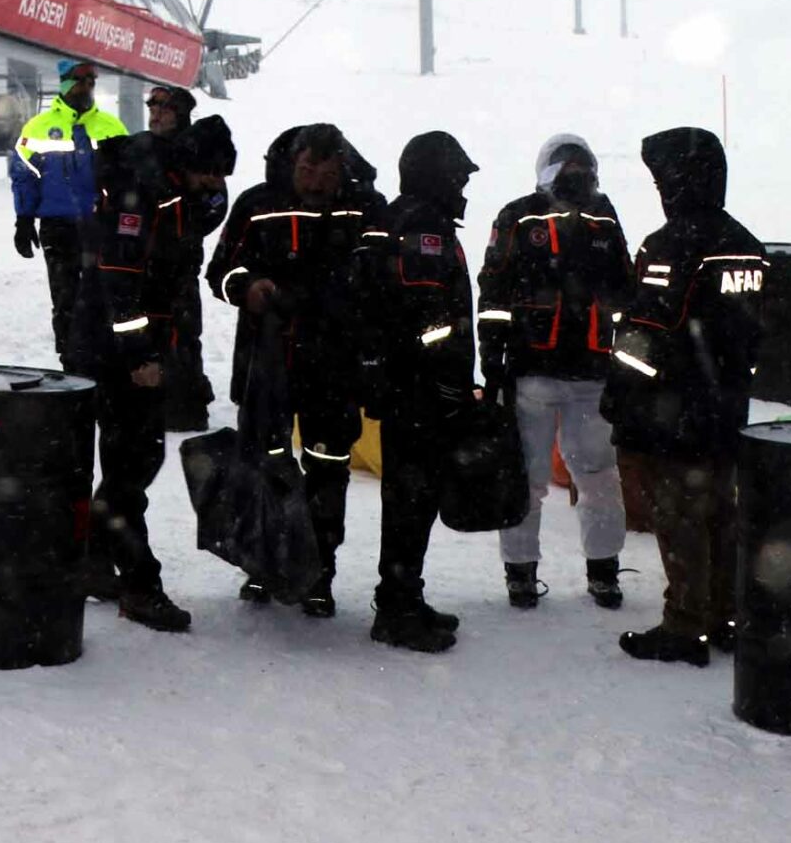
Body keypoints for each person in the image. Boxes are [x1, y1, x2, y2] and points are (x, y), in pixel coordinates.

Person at [206, 122, 386, 617]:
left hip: (336, 362)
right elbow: (219, 271)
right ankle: (262, 565)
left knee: (329, 469)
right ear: (293, 163)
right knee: (264, 465)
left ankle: (318, 572)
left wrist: (345, 304)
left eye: (327, 172)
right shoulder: (257, 202)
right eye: (308, 168)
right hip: (268, 360)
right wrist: (249, 287)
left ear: (341, 168)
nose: (316, 180)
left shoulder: (367, 207)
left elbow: (381, 275)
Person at [603, 128, 768, 667]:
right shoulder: (748, 246)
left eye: (660, 178)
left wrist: (621, 393)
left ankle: (684, 625)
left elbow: (648, 330)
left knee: (679, 518)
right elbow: (758, 332)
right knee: (722, 513)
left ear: (677, 181)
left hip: (673, 412)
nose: (657, 189)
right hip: (727, 407)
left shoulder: (670, 246)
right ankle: (724, 616)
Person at [70, 120, 233, 634]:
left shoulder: (174, 197)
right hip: (113, 356)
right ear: (189, 165)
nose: (215, 187)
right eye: (211, 175)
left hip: (130, 351)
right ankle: (141, 585)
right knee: (131, 465)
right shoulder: (142, 199)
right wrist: (139, 355)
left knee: (136, 461)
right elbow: (120, 287)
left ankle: (92, 561)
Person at [478, 134, 636, 610]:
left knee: (598, 476)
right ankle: (521, 573)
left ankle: (603, 571)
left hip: (592, 371)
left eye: (582, 167)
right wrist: (493, 360)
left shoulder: (604, 217)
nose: (575, 176)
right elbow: (493, 289)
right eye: (566, 167)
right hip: (533, 371)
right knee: (528, 478)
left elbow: (624, 289)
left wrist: (624, 363)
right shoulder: (518, 216)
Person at [354, 131, 483, 654]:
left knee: (411, 499)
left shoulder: (406, 218)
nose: (464, 188)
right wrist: (451, 384)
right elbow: (428, 321)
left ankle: (405, 595)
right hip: (420, 392)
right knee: (412, 498)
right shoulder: (423, 226)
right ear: (437, 177)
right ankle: (397, 609)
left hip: (409, 387)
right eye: (459, 177)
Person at [9, 60, 128, 364]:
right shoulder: (38, 127)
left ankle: (103, 363)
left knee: (102, 297)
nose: (87, 85)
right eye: (80, 79)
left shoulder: (112, 128)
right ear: (63, 82)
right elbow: (24, 175)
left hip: (99, 226)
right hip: (58, 226)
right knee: (65, 299)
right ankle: (71, 363)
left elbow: (128, 177)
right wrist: (24, 219)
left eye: (92, 80)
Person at [145, 85, 225, 430]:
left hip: (179, 267)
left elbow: (216, 205)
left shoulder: (199, 152)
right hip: (141, 267)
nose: (157, 112)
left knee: (182, 335)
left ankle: (184, 406)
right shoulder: (142, 151)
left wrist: (182, 228)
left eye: (165, 107)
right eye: (153, 105)